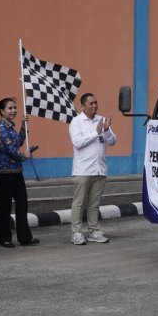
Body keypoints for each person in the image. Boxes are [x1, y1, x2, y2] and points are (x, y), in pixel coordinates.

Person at [69, 93, 117, 245]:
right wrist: (95, 133)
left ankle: (93, 231)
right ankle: (76, 232)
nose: (95, 106)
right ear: (83, 105)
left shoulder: (101, 120)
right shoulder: (76, 122)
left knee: (94, 203)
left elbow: (113, 142)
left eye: (96, 103)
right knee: (79, 202)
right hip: (83, 170)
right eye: (91, 103)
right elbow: (77, 142)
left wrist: (107, 130)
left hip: (99, 169)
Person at [0, 98, 39, 248]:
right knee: (5, 206)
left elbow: (17, 143)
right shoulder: (1, 128)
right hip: (4, 173)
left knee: (22, 204)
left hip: (16, 171)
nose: (13, 110)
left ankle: (24, 237)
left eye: (14, 108)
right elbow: (11, 151)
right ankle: (5, 238)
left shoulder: (10, 128)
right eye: (10, 108)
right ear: (2, 111)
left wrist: (22, 127)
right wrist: (23, 155)